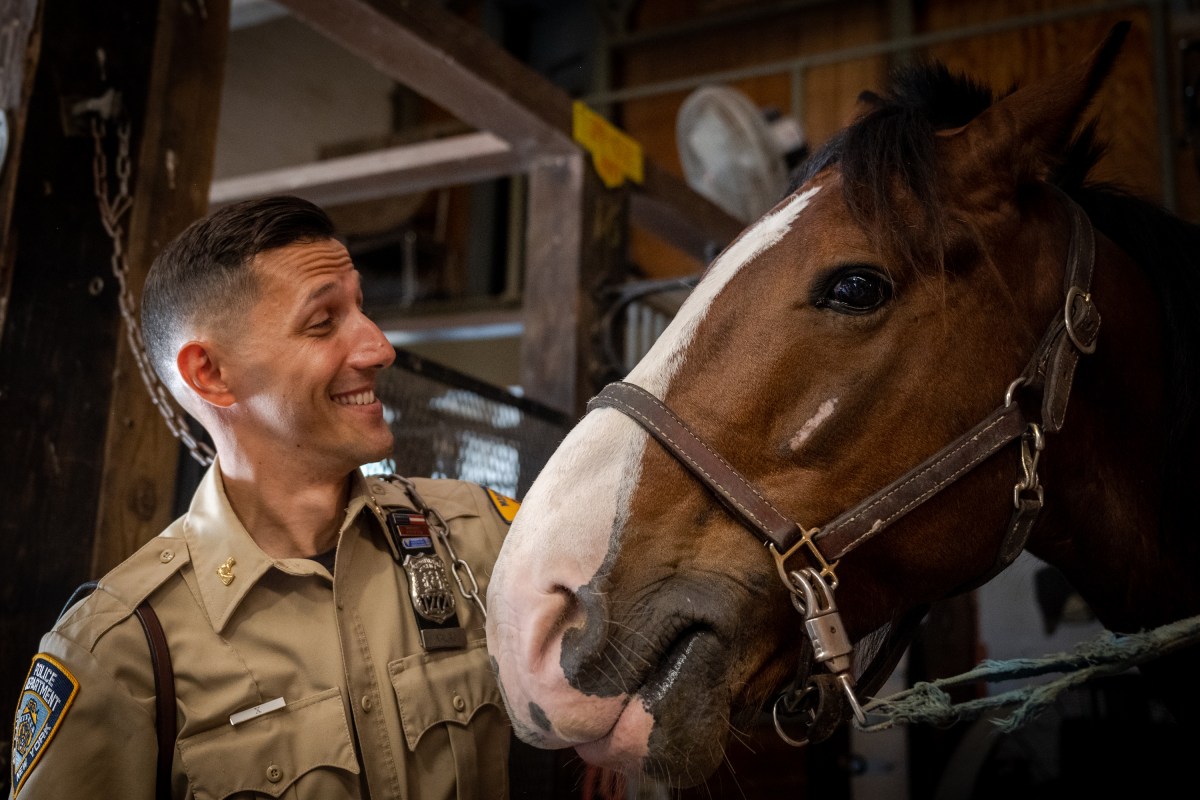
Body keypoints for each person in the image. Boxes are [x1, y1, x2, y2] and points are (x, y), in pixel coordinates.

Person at [8, 195, 515, 799]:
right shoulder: (121, 651)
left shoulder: (477, 533)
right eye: (324, 321)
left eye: (362, 309)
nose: (380, 348)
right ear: (212, 375)